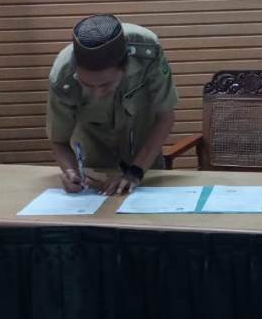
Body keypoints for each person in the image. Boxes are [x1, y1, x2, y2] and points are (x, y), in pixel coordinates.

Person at [46, 13, 178, 195]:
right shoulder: (62, 78)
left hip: (144, 162)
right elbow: (59, 141)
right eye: (87, 85)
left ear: (126, 66)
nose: (98, 94)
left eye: (105, 85)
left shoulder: (147, 52)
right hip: (95, 170)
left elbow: (165, 118)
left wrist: (136, 172)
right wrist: (71, 172)